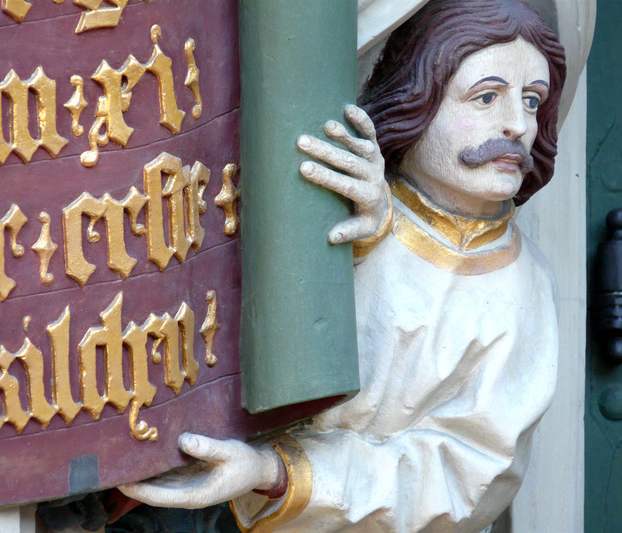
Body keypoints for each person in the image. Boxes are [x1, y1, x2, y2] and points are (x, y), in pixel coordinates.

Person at [119, 0, 567, 531]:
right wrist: (364, 237)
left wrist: (274, 472)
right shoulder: (358, 205)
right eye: (487, 96)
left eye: (532, 100)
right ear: (416, 96)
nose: (517, 125)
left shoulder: (524, 287)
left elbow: (464, 480)